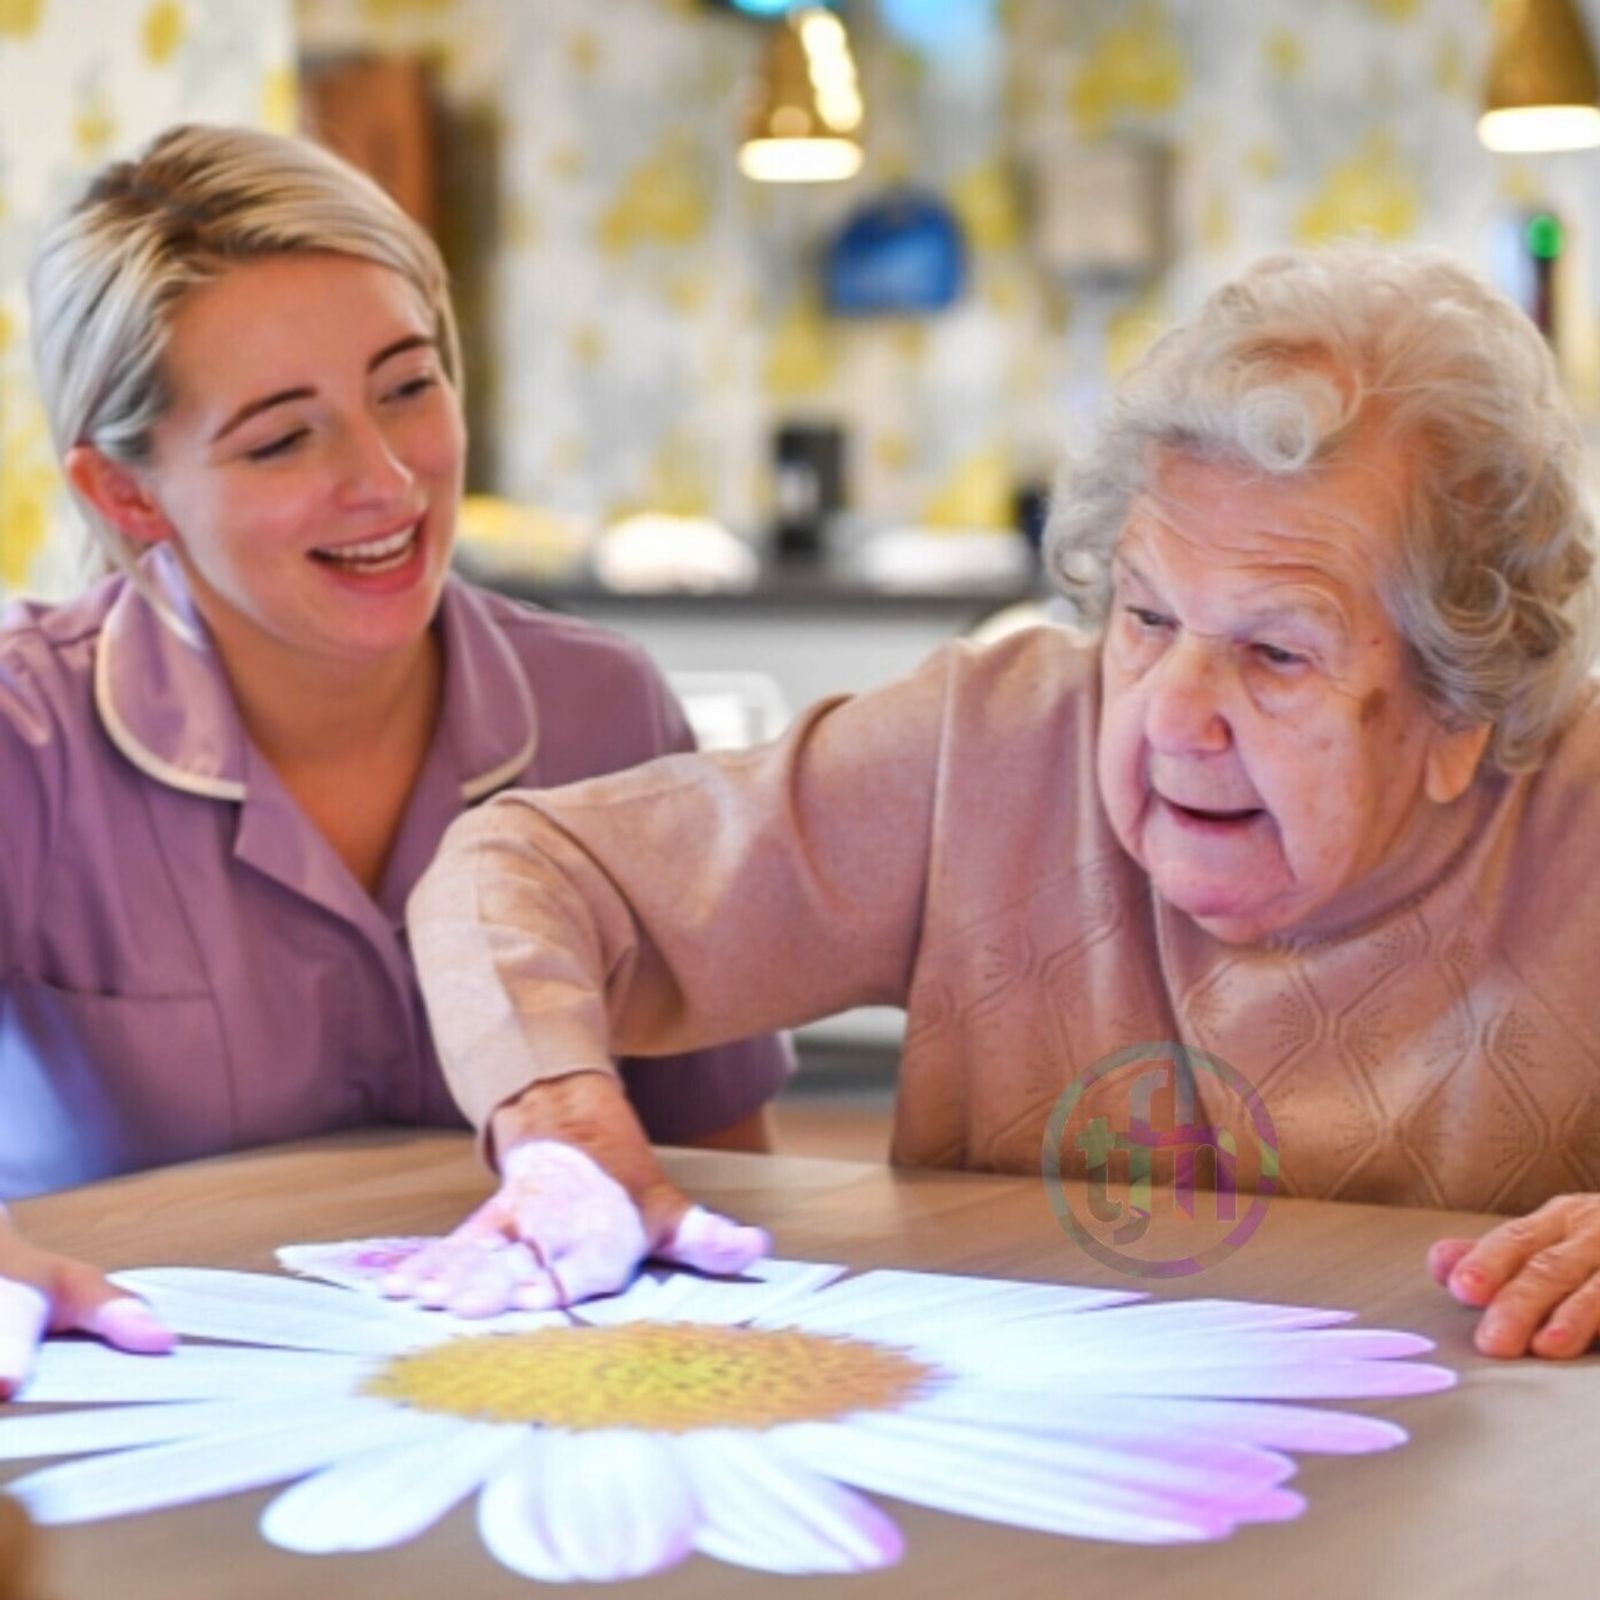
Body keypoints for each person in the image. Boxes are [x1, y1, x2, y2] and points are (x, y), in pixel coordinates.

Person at [406, 246, 1600, 1361]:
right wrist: (553, 1116)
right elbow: (518, 868)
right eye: (1145, 617)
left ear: (1463, 706)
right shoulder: (990, 749)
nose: (1171, 717)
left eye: (1276, 653)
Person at [0, 123, 790, 1394]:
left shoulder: (604, 709)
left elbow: (716, 1166)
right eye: (279, 439)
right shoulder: (23, 732)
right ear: (128, 496)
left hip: (541, 1415)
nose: (386, 479)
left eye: (408, 386)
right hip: (142, 1428)